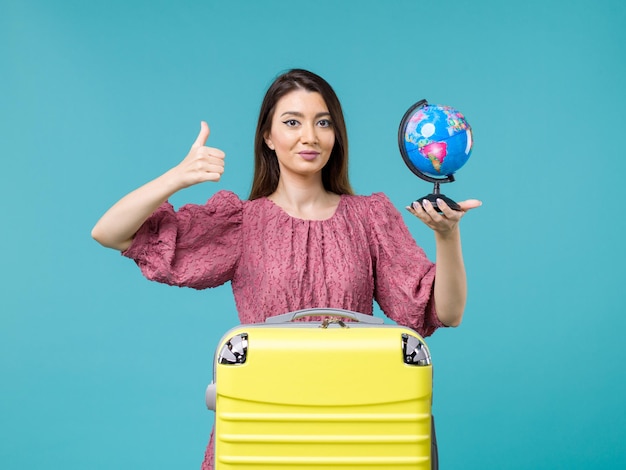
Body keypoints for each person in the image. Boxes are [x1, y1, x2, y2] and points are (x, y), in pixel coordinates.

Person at [91, 68, 481, 469]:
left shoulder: (370, 217)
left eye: (323, 122)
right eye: (292, 122)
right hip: (262, 429)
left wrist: (447, 236)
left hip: (358, 429)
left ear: (336, 135)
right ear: (268, 137)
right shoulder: (240, 223)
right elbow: (110, 232)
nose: (309, 136)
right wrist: (176, 177)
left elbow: (446, 312)